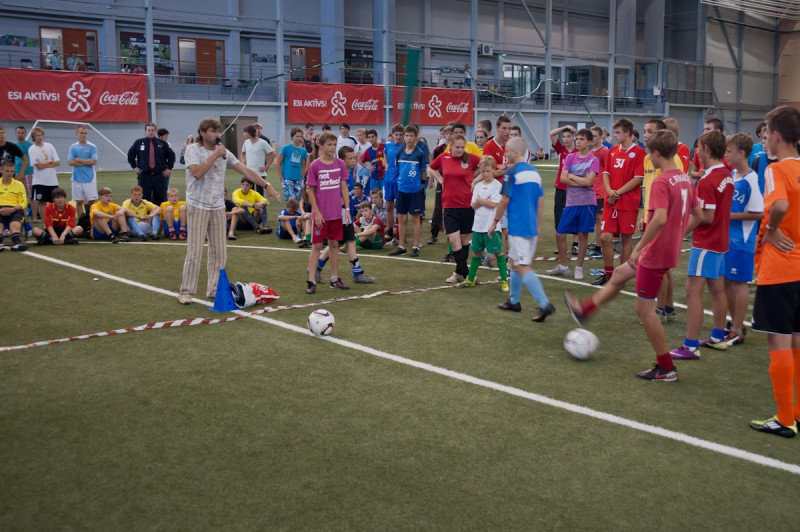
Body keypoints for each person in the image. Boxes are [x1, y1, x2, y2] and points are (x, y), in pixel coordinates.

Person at [565, 130, 702, 381]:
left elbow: (659, 218)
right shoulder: (683, 178)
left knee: (645, 311)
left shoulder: (661, 181)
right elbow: (698, 215)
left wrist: (640, 248)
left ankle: (666, 366)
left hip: (654, 252)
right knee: (619, 274)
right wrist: (677, 232)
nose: (648, 156)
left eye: (650, 151)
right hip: (666, 248)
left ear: (657, 153)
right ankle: (586, 309)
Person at [749, 105, 800, 438]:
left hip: (780, 267)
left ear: (777, 136)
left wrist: (772, 229)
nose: (764, 139)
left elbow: (779, 205)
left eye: (766, 132)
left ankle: (784, 418)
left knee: (779, 341)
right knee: (797, 338)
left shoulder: (776, 169)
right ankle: (796, 412)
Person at [178, 118, 269, 304]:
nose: (216, 135)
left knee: (219, 252)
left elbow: (245, 170)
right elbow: (197, 173)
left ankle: (214, 288)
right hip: (197, 205)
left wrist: (267, 184)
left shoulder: (225, 153)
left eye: (217, 131)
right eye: (212, 131)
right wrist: (213, 156)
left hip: (217, 206)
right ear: (202, 133)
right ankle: (186, 291)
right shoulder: (192, 150)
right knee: (195, 251)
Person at [669, 130, 735, 359]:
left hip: (706, 243)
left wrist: (678, 232)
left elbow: (705, 217)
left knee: (692, 291)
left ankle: (690, 345)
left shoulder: (708, 179)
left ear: (706, 149)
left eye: (698, 147)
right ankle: (717, 337)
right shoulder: (726, 174)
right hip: (720, 241)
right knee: (717, 289)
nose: (696, 151)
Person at [489, 137, 554, 322]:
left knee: (523, 266)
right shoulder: (534, 173)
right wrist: (538, 225)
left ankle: (545, 304)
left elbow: (504, 200)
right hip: (531, 227)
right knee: (515, 263)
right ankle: (514, 301)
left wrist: (494, 221)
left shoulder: (511, 172)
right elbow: (540, 202)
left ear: (516, 152)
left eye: (507, 150)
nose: (504, 153)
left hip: (519, 227)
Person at [592, 118, 646, 286]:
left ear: (628, 133)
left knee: (626, 238)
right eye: (614, 132)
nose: (615, 136)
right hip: (611, 201)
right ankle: (609, 273)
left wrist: (618, 192)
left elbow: (638, 179)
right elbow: (606, 173)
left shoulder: (638, 152)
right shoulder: (613, 150)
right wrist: (609, 192)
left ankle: (621, 276)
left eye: (618, 132)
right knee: (605, 237)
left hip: (628, 202)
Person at [640, 119, 684, 322]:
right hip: (652, 214)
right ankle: (667, 307)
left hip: (662, 216)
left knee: (658, 266)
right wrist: (644, 215)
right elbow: (647, 187)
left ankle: (661, 307)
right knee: (663, 268)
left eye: (650, 131)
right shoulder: (648, 158)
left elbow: (672, 191)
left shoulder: (670, 161)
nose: (645, 134)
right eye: (644, 131)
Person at [723, 133, 763, 346]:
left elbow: (758, 212)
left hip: (742, 240)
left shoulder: (751, 179)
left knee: (738, 284)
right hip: (727, 239)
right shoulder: (732, 176)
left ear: (741, 153)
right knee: (727, 282)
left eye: (729, 151)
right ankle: (735, 324)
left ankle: (737, 329)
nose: (726, 155)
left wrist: (727, 216)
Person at [315, 147, 376, 285]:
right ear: (342, 160)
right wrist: (345, 204)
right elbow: (334, 197)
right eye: (350, 158)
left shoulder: (347, 173)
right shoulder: (340, 174)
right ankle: (357, 274)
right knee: (349, 243)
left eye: (354, 158)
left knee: (340, 243)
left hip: (344, 214)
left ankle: (316, 268)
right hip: (340, 215)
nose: (354, 161)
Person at [548, 128, 599, 280]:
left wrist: (572, 176)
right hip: (571, 202)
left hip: (587, 203)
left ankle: (579, 267)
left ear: (589, 142)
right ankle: (563, 266)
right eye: (577, 139)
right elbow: (563, 179)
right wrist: (580, 181)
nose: (578, 141)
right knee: (560, 233)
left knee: (583, 235)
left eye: (581, 139)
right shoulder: (570, 157)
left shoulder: (593, 160)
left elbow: (589, 182)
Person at [428, 134, 480, 283]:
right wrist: (440, 179)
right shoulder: (444, 158)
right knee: (453, 240)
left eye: (462, 147)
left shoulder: (470, 158)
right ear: (451, 145)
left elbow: (488, 165)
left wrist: (475, 179)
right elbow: (431, 168)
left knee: (464, 240)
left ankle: (458, 273)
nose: (460, 150)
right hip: (449, 205)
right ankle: (467, 275)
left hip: (467, 205)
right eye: (457, 147)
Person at [304, 131, 350, 294]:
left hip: (336, 214)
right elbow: (310, 190)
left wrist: (347, 209)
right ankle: (311, 280)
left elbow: (344, 187)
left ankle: (334, 278)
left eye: (334, 144)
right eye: (329, 144)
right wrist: (316, 212)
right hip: (321, 215)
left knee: (334, 245)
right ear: (321, 146)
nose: (332, 147)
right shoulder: (315, 165)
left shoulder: (340, 164)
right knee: (316, 245)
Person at [459, 155, 508, 291]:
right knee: (476, 254)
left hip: (491, 227)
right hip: (478, 226)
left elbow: (493, 204)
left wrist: (481, 201)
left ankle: (504, 281)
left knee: (498, 253)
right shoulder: (478, 186)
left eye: (487, 171)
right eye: (482, 171)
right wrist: (481, 201)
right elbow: (473, 205)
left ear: (493, 170)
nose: (485, 174)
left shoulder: (497, 185)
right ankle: (470, 279)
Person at [388, 124, 429, 258]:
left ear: (416, 137)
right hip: (401, 190)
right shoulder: (400, 151)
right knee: (401, 217)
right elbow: (397, 166)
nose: (409, 138)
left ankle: (416, 246)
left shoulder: (419, 153)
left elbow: (423, 172)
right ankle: (401, 246)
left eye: (411, 136)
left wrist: (421, 185)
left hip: (415, 190)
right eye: (407, 135)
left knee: (416, 219)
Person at [549, 124, 578, 265]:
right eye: (564, 137)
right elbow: (551, 134)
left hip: (574, 188)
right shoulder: (561, 149)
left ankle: (575, 245)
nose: (566, 139)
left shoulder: (579, 150)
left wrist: (575, 131)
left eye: (568, 136)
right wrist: (564, 127)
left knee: (575, 216)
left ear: (573, 137)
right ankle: (561, 246)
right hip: (560, 188)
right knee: (559, 217)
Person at [127, 122, 175, 205]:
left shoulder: (162, 143)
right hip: (144, 176)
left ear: (155, 131)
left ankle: (159, 217)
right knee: (144, 199)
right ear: (145, 131)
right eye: (149, 130)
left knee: (161, 198)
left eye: (152, 130)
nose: (151, 132)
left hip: (160, 176)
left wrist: (169, 168)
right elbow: (130, 154)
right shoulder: (139, 143)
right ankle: (146, 217)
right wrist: (134, 167)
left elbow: (171, 155)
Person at [241, 124, 279, 212]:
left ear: (249, 133)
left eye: (245, 132)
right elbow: (243, 153)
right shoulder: (246, 143)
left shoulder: (262, 142)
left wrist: (266, 166)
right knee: (249, 195)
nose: (243, 134)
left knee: (260, 197)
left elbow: (272, 154)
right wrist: (243, 163)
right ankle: (252, 215)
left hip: (260, 174)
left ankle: (262, 217)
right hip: (249, 174)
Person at [28, 126, 60, 223]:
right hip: (40, 181)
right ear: (34, 137)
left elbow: (57, 162)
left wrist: (44, 164)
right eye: (37, 135)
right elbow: (39, 167)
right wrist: (49, 162)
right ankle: (46, 223)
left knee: (55, 202)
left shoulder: (49, 146)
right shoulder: (32, 149)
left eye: (41, 135)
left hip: (52, 181)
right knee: (41, 202)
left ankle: (55, 221)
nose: (40, 137)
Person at [382, 123, 405, 245]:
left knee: (400, 210)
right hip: (388, 180)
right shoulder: (387, 146)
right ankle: (390, 231)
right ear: (392, 135)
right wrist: (385, 164)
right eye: (396, 134)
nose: (398, 137)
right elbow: (385, 155)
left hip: (400, 182)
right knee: (389, 207)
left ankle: (401, 235)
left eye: (401, 135)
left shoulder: (405, 147)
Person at [68, 125, 98, 216]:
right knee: (79, 202)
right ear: (76, 133)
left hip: (89, 178)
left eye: (85, 133)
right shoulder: (73, 147)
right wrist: (86, 162)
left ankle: (93, 220)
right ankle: (81, 221)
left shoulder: (92, 147)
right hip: (77, 178)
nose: (83, 135)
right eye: (81, 133)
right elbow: (70, 162)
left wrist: (78, 159)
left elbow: (93, 161)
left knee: (92, 201)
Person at [588, 125, 608, 257]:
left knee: (600, 219)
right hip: (592, 190)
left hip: (602, 190)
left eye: (595, 136)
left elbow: (608, 171)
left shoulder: (605, 151)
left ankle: (599, 247)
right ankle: (597, 244)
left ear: (601, 136)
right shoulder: (590, 152)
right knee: (595, 219)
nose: (592, 138)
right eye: (591, 136)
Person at [0, 160, 29, 251]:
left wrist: (13, 209)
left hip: (15, 209)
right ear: (1, 170)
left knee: (15, 224)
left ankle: (17, 244)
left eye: (12, 171)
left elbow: (24, 202)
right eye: (7, 171)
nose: (10, 173)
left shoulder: (19, 184)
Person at [276, 126, 309, 202]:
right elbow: (278, 162)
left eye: (301, 136)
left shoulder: (303, 151)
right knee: (291, 201)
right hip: (288, 179)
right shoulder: (286, 148)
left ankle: (297, 214)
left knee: (298, 201)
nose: (299, 138)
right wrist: (281, 177)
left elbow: (303, 165)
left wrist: (302, 177)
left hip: (298, 180)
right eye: (297, 136)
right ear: (292, 137)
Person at [359, 129, 385, 195]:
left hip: (384, 177)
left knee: (384, 197)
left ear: (376, 137)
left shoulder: (384, 147)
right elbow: (360, 161)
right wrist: (368, 167)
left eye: (373, 137)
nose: (371, 139)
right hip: (374, 177)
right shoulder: (368, 151)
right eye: (369, 137)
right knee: (373, 196)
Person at [13, 126, 33, 211]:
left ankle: (33, 213)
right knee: (17, 195)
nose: (20, 134)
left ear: (25, 134)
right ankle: (19, 213)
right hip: (16, 174)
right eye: (18, 132)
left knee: (31, 195)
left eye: (22, 133)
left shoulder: (30, 146)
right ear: (15, 134)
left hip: (28, 173)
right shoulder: (13, 146)